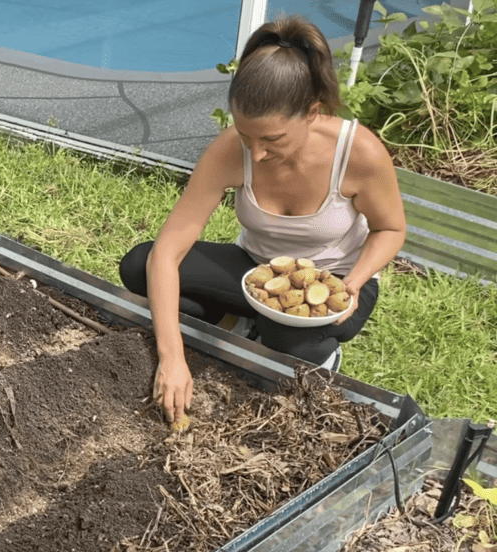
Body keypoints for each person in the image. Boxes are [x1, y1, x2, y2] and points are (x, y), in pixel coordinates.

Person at [118, 16, 406, 423]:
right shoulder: (228, 151)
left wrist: (354, 282)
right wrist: (172, 355)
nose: (255, 154)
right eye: (245, 135)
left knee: (287, 339)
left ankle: (313, 347)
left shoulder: (357, 152)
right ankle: (239, 322)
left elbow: (391, 230)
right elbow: (167, 251)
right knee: (138, 266)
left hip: (336, 279)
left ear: (312, 113)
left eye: (272, 140)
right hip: (256, 273)